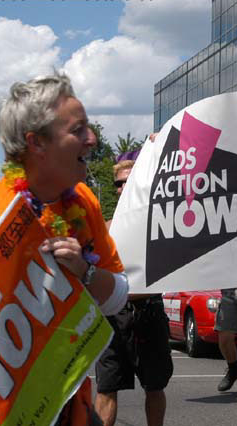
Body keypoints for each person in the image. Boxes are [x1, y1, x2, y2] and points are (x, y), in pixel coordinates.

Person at [0, 73, 128, 426]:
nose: (92, 139)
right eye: (78, 130)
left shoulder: (83, 200)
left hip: (71, 400)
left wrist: (85, 270)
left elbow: (118, 296)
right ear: (37, 143)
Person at [95, 158, 173, 426]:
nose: (123, 187)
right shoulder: (105, 228)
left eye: (129, 181)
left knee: (154, 386)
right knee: (106, 388)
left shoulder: (160, 223)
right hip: (113, 317)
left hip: (149, 312)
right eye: (119, 183)